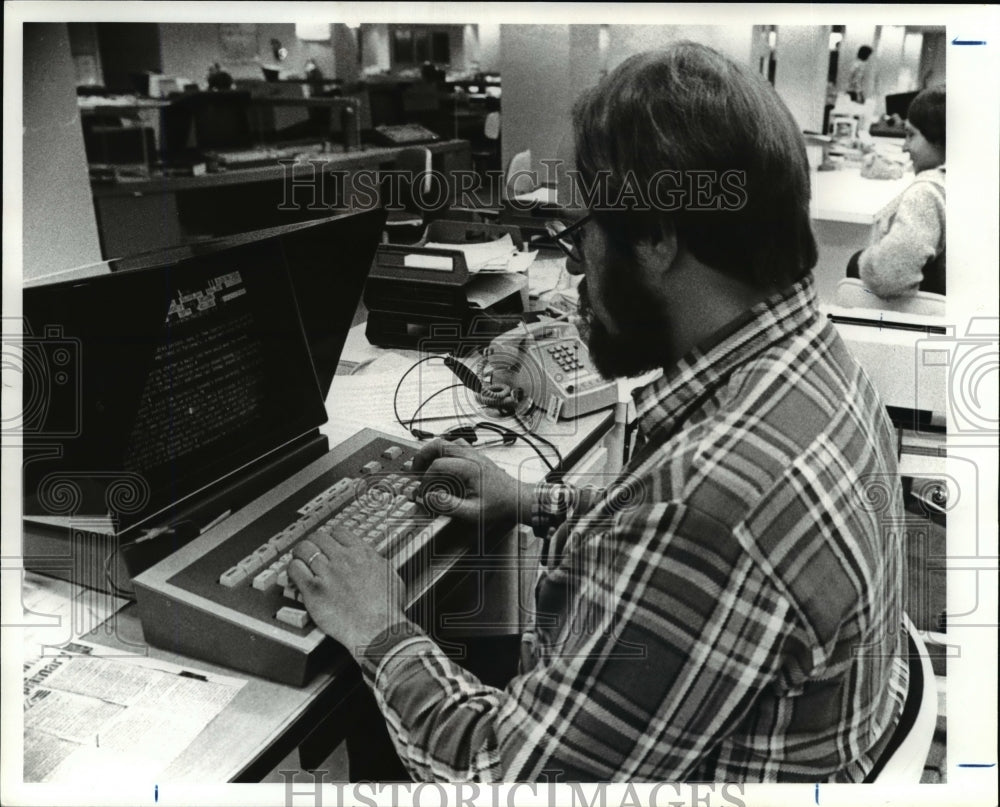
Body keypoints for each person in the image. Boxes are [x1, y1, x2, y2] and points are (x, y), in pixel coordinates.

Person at [288, 43, 909, 782]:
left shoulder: (717, 500)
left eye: (581, 234)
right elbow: (673, 522)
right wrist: (531, 500)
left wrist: (376, 624)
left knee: (386, 684)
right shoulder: (815, 365)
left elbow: (503, 776)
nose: (577, 273)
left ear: (656, 237)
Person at [848, 87, 946, 297]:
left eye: (911, 135)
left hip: (928, 320)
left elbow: (887, 277)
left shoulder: (928, 193)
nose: (904, 147)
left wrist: (867, 259)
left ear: (938, 137)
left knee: (854, 263)